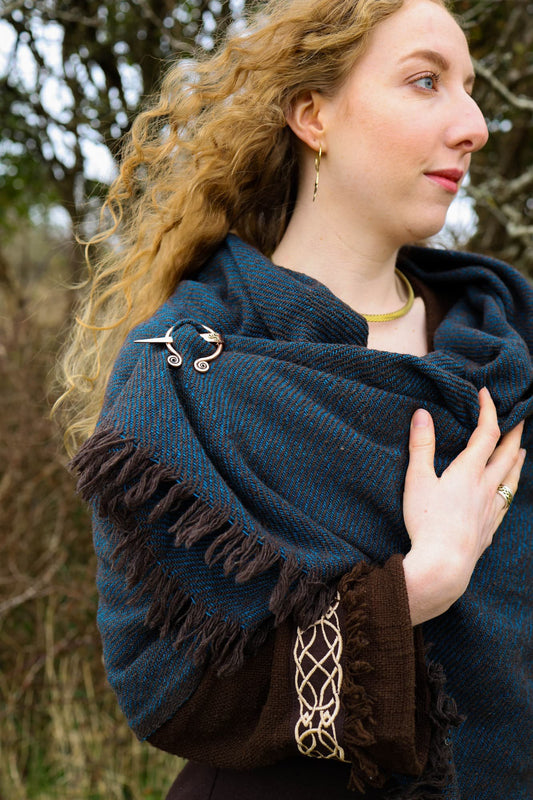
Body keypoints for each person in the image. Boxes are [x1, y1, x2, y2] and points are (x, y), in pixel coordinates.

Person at [57, 0, 532, 797]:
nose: (474, 125)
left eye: (470, 88)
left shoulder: (508, 339)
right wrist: (416, 591)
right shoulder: (192, 371)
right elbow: (165, 692)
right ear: (313, 115)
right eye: (425, 82)